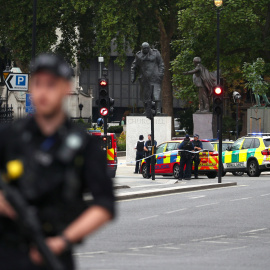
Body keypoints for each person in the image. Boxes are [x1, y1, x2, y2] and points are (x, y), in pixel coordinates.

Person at [0, 53, 115, 270]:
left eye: (51, 85)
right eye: (38, 83)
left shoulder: (83, 145)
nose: (43, 91)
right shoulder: (10, 136)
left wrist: (62, 240)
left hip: (55, 253)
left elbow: (105, 205)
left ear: (66, 88)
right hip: (8, 252)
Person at [131, 42, 164, 114]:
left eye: (147, 48)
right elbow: (133, 66)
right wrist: (132, 76)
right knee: (145, 95)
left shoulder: (156, 53)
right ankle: (147, 110)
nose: (146, 49)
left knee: (156, 94)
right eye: (144, 48)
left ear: (149, 48)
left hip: (155, 77)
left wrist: (160, 74)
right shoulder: (138, 55)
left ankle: (158, 110)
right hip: (144, 78)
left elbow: (161, 63)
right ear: (141, 48)